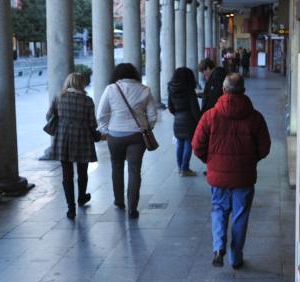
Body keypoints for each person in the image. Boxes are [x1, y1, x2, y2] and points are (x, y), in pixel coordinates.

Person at [192, 73, 270, 269]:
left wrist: (211, 162)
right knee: (240, 215)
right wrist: (251, 160)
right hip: (244, 177)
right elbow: (264, 147)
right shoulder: (255, 117)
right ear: (243, 91)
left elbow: (197, 145)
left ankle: (219, 247)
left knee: (219, 209)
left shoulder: (210, 115)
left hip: (218, 177)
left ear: (224, 90)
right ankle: (236, 258)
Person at [97, 63, 157, 219]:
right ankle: (132, 207)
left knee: (116, 167)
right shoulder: (145, 90)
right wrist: (145, 127)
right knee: (134, 170)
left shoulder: (111, 89)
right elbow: (152, 116)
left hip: (115, 135)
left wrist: (107, 130)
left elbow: (101, 114)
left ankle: (118, 201)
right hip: (138, 136)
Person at [47, 73, 100, 219]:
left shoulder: (59, 98)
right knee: (82, 171)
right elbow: (92, 124)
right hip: (82, 138)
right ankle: (81, 197)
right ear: (81, 84)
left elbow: (48, 116)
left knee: (67, 174)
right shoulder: (88, 101)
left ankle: (71, 208)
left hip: (63, 138)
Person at [167, 67, 201, 176]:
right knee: (188, 144)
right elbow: (195, 109)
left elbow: (170, 107)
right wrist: (200, 121)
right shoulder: (189, 90)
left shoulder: (171, 90)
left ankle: (180, 167)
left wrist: (177, 114)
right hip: (189, 120)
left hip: (177, 120)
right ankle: (185, 168)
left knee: (179, 144)